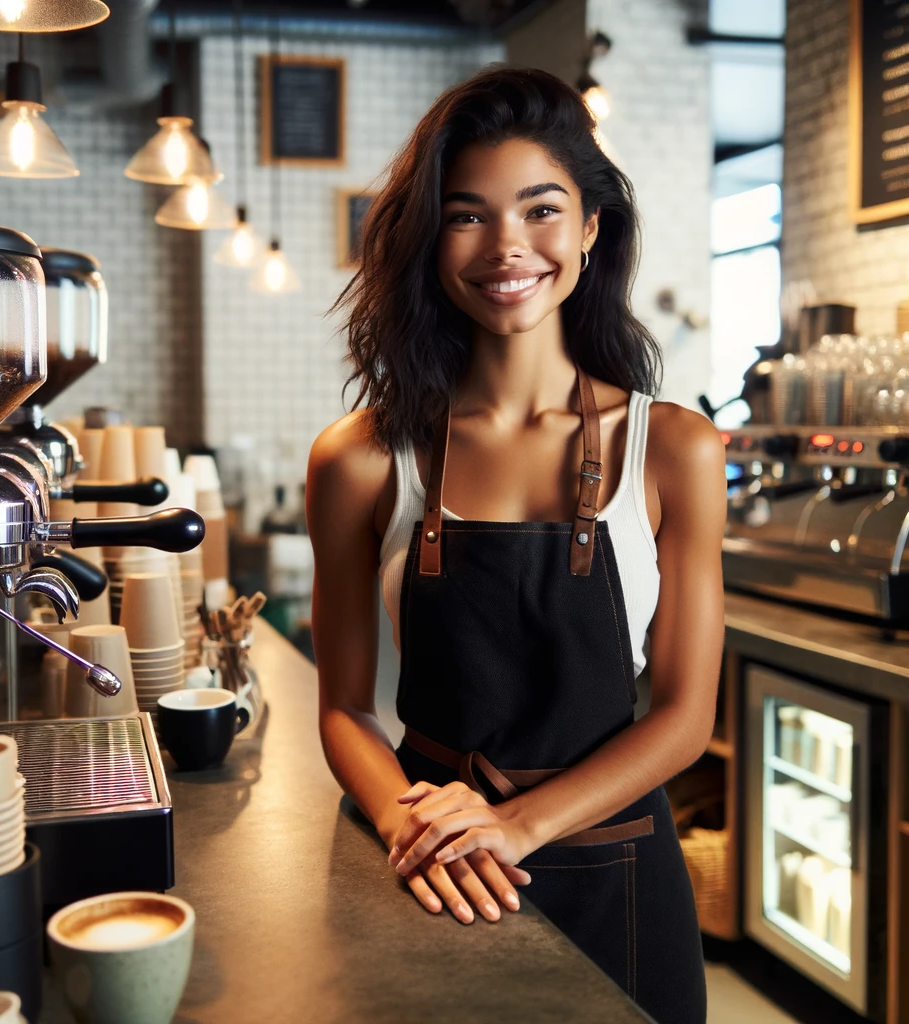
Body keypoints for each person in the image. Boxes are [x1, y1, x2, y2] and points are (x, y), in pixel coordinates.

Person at [306, 66, 724, 1024]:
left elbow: (683, 716)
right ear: (428, 240)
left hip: (616, 867)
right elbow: (342, 710)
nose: (507, 247)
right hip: (433, 866)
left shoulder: (676, 449)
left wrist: (513, 824)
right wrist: (407, 821)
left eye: (541, 209)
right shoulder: (362, 461)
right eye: (467, 216)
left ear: (588, 228)